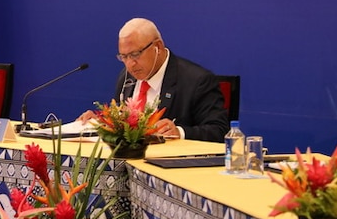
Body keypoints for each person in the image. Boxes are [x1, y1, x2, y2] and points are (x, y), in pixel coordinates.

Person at [78, 18, 227, 142]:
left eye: (135, 54)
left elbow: (220, 131)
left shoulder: (197, 80)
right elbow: (124, 122)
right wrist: (101, 122)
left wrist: (180, 132)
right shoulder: (126, 77)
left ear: (158, 47)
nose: (130, 64)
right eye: (123, 57)